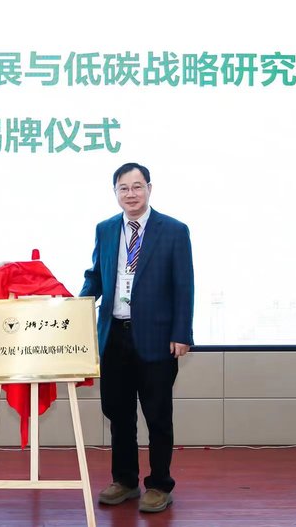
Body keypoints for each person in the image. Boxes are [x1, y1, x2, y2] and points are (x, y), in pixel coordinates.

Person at [80, 162, 194, 513]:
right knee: (119, 414)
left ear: (149, 188)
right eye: (123, 188)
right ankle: (126, 480)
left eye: (137, 186)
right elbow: (96, 276)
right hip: (114, 336)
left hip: (157, 338)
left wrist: (182, 333)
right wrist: (74, 308)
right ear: (115, 192)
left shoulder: (173, 230)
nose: (131, 194)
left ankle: (159, 484)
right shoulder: (105, 229)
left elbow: (184, 285)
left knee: (158, 415)